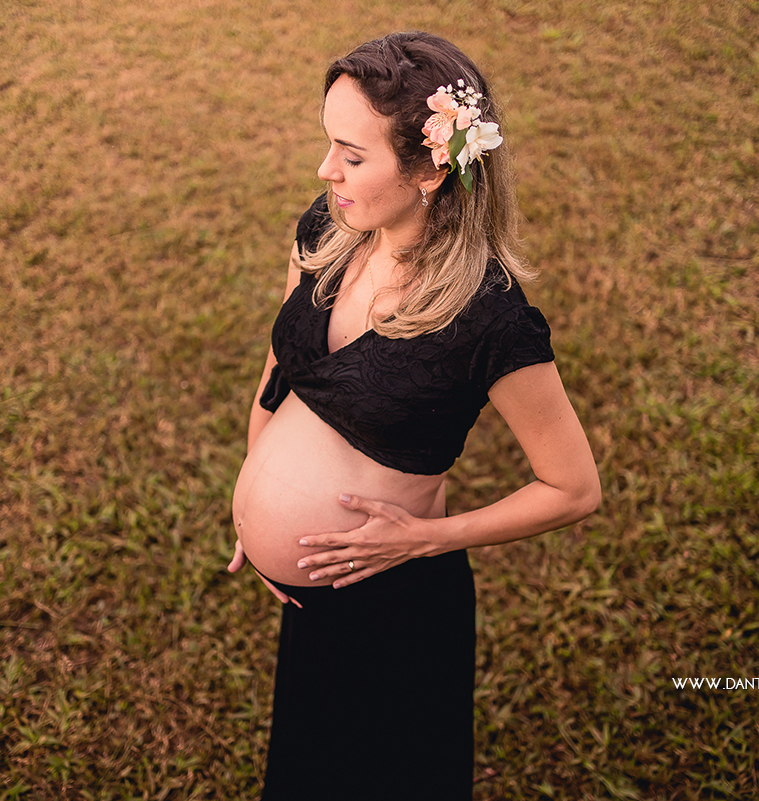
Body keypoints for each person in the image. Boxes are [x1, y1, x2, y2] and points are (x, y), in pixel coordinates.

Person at [227, 31, 600, 801]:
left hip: (390, 607)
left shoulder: (488, 318)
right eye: (328, 143)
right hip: (312, 596)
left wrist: (427, 538)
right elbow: (284, 360)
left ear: (432, 167)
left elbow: (572, 488)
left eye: (351, 155)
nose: (326, 170)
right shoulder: (330, 230)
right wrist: (252, 498)